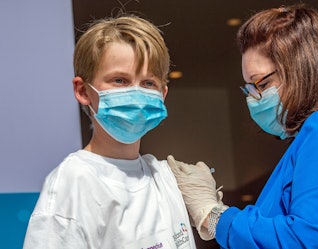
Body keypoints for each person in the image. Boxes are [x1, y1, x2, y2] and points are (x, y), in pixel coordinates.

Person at [167, 4, 318, 248]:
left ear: (304, 67)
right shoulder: (317, 135)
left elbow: (311, 241)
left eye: (262, 84)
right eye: (249, 89)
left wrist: (215, 216)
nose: (253, 99)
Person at [23, 15, 196, 249]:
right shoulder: (74, 184)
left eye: (148, 83)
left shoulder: (164, 176)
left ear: (162, 95)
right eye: (119, 80)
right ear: (83, 90)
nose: (136, 93)